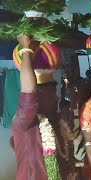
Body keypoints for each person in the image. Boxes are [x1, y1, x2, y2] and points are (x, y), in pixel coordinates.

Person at [11, 35, 77, 180]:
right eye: (52, 93)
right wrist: (26, 48)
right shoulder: (25, 121)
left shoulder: (56, 121)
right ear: (37, 96)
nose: (57, 98)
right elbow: (29, 92)